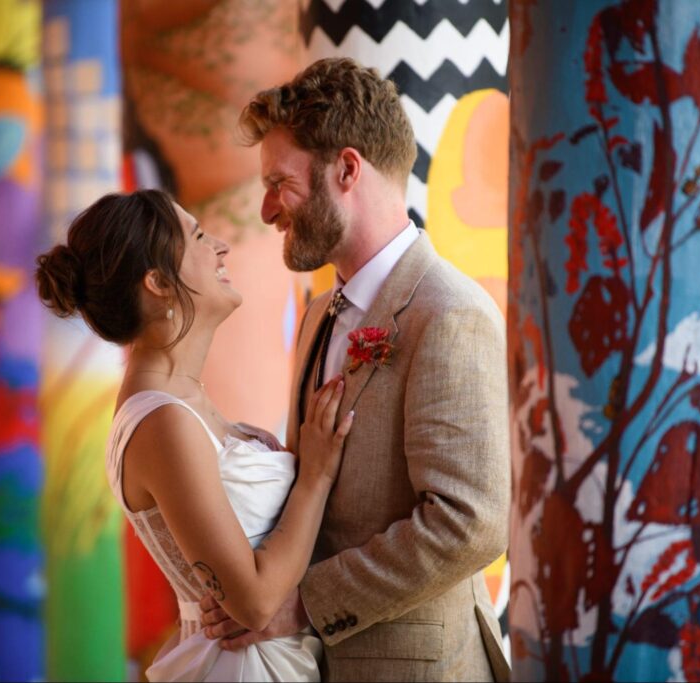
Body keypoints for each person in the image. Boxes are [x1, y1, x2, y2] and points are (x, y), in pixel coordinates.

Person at [199, 57, 512, 681]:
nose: (266, 210)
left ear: (347, 169)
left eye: (279, 183)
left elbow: (470, 523)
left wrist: (305, 604)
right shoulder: (319, 315)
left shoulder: (449, 312)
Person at [35, 188, 354, 681]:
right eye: (200, 237)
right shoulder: (161, 422)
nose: (221, 246)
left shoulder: (181, 403)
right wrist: (314, 474)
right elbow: (253, 601)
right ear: (159, 282)